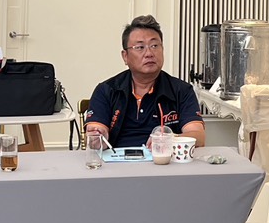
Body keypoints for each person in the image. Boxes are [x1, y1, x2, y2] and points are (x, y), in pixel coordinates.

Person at [84, 15, 205, 149]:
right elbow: (95, 132)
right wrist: (97, 137)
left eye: (154, 46)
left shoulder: (181, 90)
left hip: (164, 160)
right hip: (116, 160)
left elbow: (198, 136)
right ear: (125, 56)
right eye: (140, 47)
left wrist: (170, 139)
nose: (149, 53)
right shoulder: (106, 90)